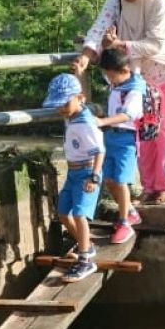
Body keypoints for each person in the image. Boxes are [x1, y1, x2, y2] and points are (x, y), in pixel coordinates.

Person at [72, 0, 165, 206]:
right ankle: (149, 187)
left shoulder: (158, 2)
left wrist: (120, 45)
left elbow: (156, 44)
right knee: (143, 130)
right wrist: (86, 56)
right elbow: (98, 28)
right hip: (138, 74)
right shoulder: (115, 0)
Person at [43, 73, 105, 283]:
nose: (61, 109)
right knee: (62, 213)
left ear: (80, 98)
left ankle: (86, 260)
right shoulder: (71, 116)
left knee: (80, 214)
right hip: (73, 172)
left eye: (65, 103)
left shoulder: (85, 123)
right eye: (58, 105)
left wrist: (94, 177)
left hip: (87, 173)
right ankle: (85, 244)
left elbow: (100, 151)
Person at [94, 47, 144, 245]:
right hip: (111, 137)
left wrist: (102, 122)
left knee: (121, 181)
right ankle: (130, 212)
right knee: (109, 179)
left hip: (126, 139)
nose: (108, 78)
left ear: (121, 70)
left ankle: (124, 223)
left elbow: (128, 115)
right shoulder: (116, 81)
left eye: (109, 74)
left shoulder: (134, 89)